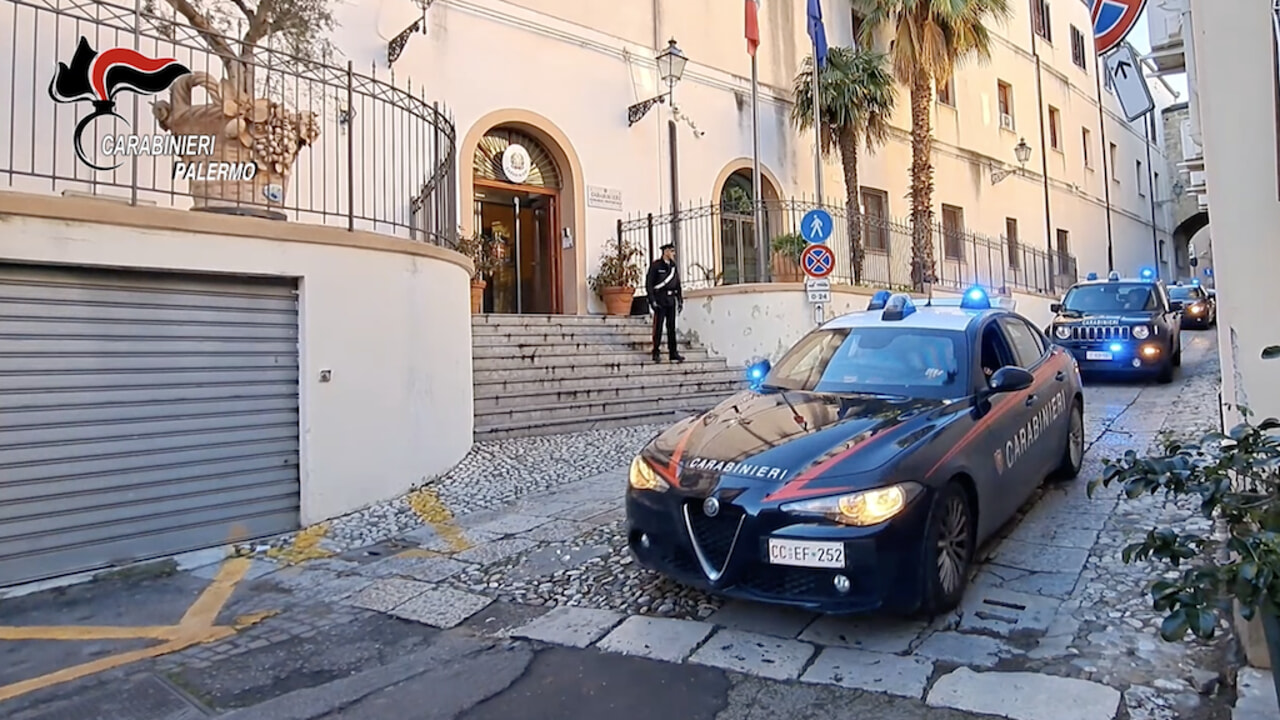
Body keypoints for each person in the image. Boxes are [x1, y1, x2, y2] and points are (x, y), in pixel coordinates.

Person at [645, 243, 685, 363]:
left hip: (671, 299)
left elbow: (677, 283)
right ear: (666, 252)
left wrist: (679, 299)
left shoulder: (673, 266)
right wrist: (652, 300)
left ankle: (673, 352)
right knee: (658, 326)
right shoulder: (656, 266)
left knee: (671, 327)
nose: (674, 254)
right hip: (660, 299)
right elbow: (649, 284)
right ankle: (656, 351)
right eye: (672, 251)